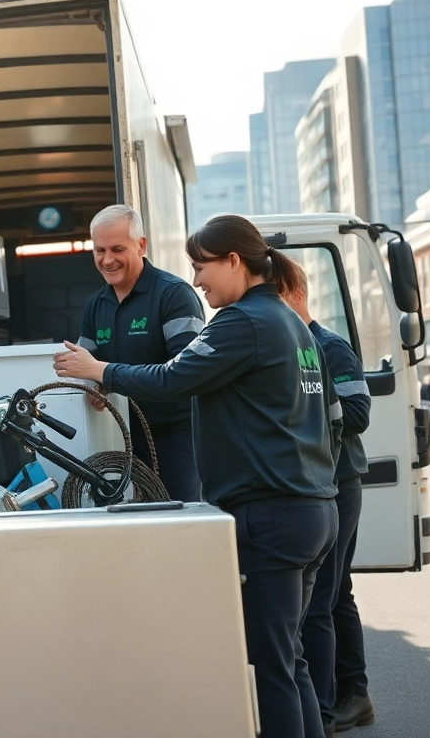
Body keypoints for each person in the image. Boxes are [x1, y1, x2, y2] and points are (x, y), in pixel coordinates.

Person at [54, 214, 342, 738]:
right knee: (289, 661)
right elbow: (331, 424)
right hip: (313, 507)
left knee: (269, 669)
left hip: (271, 515)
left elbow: (175, 377)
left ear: (234, 261)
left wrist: (101, 371)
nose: (196, 280)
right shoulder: (293, 323)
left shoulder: (243, 322)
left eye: (202, 265)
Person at [280, 260, 375, 734]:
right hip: (317, 483)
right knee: (334, 595)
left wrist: (302, 409)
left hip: (339, 484)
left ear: (295, 293)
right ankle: (350, 694)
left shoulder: (329, 347)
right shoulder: (289, 344)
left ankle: (335, 702)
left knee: (326, 598)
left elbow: (357, 412)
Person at [73, 204, 207, 501]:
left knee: (177, 519)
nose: (107, 260)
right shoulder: (96, 306)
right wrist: (93, 386)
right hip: (120, 438)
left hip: (177, 437)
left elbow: (186, 375)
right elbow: (86, 370)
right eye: (99, 250)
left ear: (141, 245)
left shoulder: (174, 295)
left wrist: (104, 374)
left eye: (117, 249)